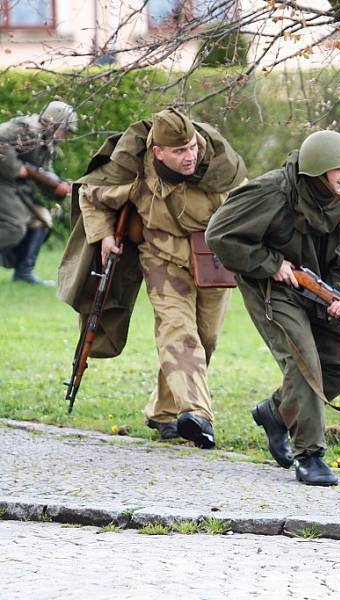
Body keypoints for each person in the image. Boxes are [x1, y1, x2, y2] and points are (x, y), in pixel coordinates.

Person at [69, 108, 246, 447]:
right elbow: (90, 193)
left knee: (205, 339)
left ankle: (163, 411)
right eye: (179, 151)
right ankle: (198, 415)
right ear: (157, 152)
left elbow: (251, 209)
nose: (190, 156)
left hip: (213, 260)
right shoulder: (135, 174)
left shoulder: (222, 173)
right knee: (178, 332)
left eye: (192, 147)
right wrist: (105, 235)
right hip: (162, 257)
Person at [206, 130, 340, 487]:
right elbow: (219, 235)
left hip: (321, 290)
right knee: (302, 361)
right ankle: (309, 454)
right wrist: (270, 263)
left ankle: (277, 412)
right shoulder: (271, 192)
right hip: (270, 286)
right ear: (316, 172)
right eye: (339, 168)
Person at [0, 101, 76, 285]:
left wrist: (57, 188)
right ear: (54, 123)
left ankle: (23, 274)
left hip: (14, 186)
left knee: (41, 220)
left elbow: (42, 172)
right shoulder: (26, 129)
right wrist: (16, 168)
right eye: (65, 130)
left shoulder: (45, 140)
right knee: (14, 227)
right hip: (4, 182)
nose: (66, 136)